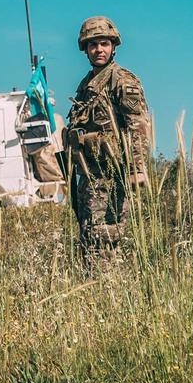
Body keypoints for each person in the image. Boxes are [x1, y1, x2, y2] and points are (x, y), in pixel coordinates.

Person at [64, 16, 150, 256]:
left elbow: (138, 125)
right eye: (93, 45)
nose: (98, 49)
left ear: (113, 46)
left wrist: (136, 167)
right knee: (88, 240)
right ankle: (95, 290)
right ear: (85, 50)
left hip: (111, 176)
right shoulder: (86, 85)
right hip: (88, 176)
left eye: (103, 43)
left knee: (105, 240)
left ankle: (107, 289)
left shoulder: (121, 80)